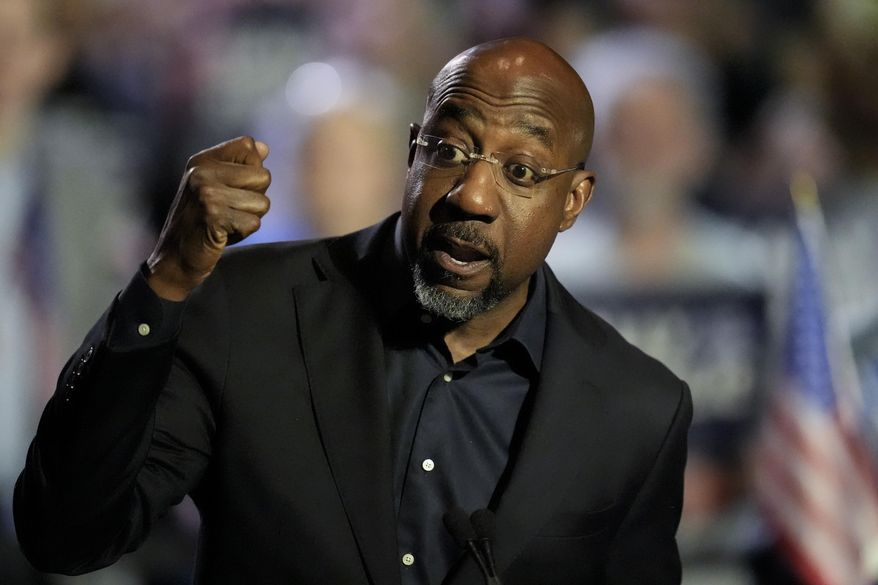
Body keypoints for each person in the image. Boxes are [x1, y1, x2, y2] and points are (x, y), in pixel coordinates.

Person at [15, 38, 692, 584]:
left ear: (573, 199)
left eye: (521, 172)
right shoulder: (246, 308)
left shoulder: (635, 410)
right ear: (412, 152)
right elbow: (66, 533)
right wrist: (162, 285)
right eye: (450, 151)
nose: (473, 196)